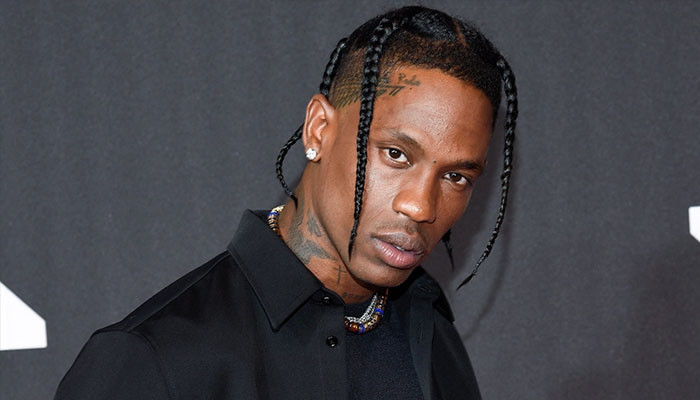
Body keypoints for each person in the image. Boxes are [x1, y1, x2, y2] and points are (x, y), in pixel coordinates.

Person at [55, 5, 518, 400]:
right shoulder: (155, 359)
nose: (421, 207)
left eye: (456, 176)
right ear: (319, 130)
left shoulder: (428, 326)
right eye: (395, 154)